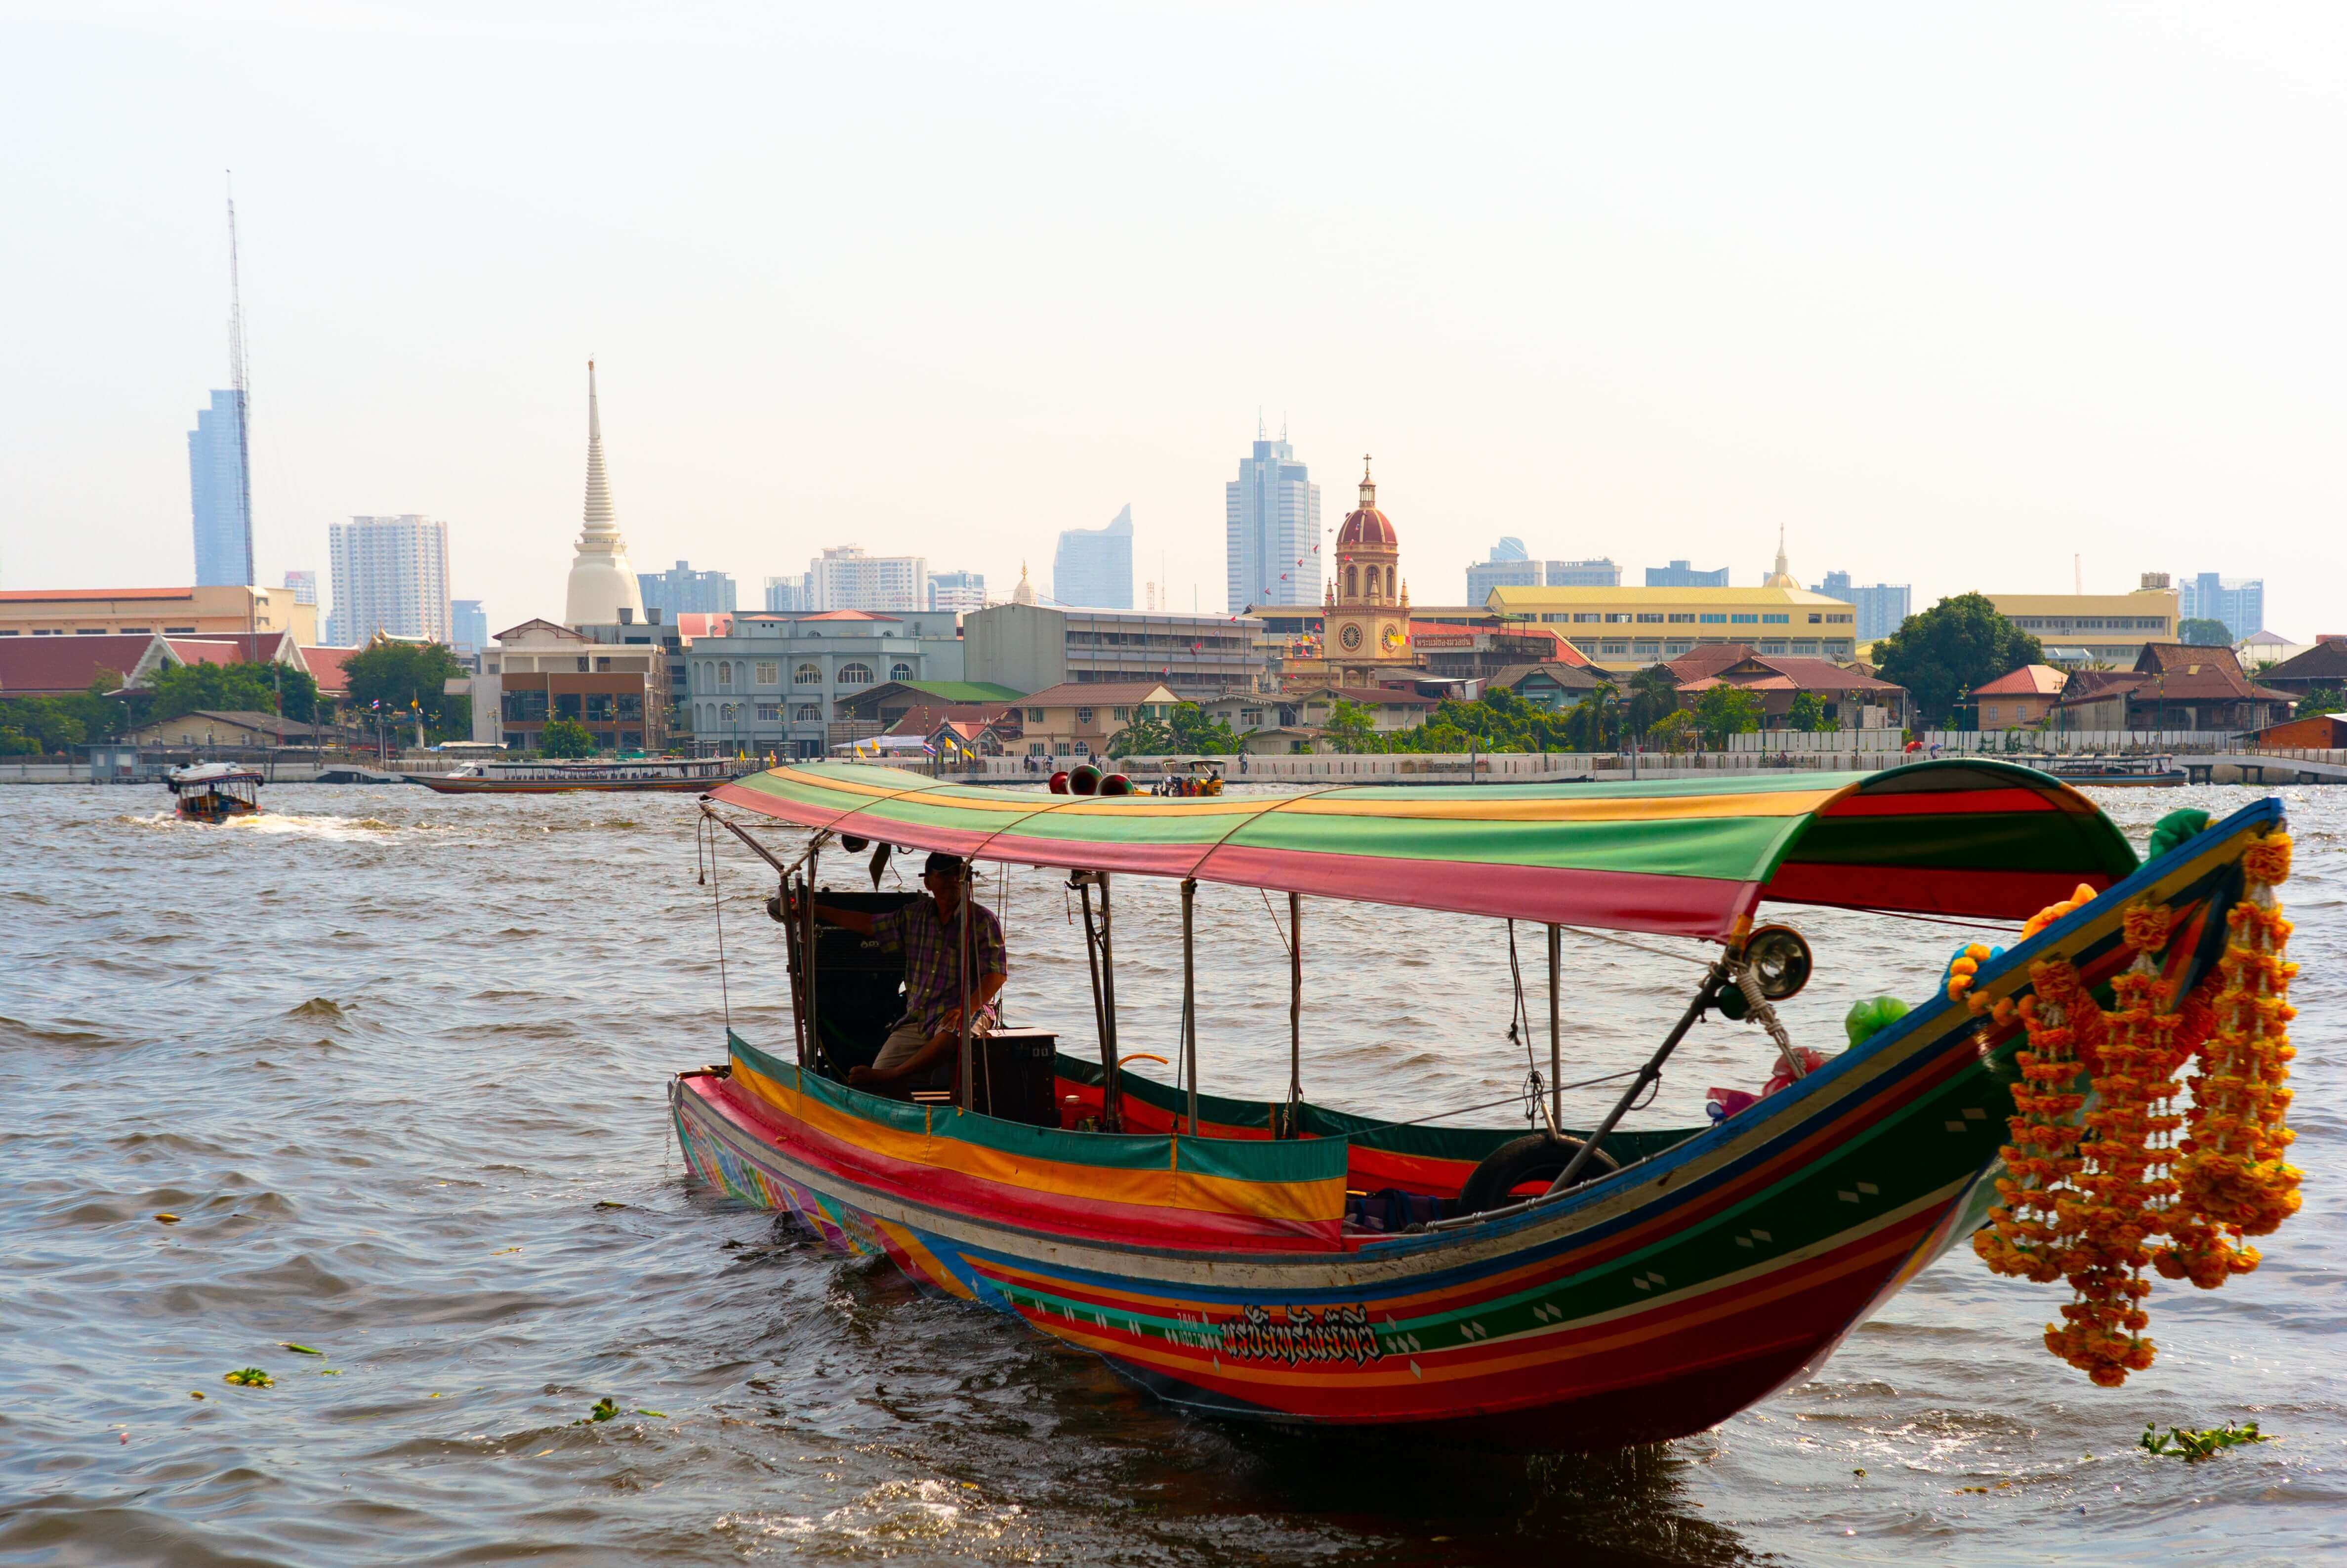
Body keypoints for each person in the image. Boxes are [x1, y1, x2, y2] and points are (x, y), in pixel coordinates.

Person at [803, 852, 1007, 1097]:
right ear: (928, 883)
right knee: (871, 1083)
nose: (954, 881)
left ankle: (895, 1074)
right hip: (920, 1016)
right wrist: (814, 910)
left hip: (967, 1010)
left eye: (958, 874)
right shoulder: (914, 916)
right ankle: (908, 1113)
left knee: (956, 1031)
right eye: (944, 875)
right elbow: (869, 925)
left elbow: (996, 975)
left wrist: (967, 1007)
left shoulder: (983, 920)